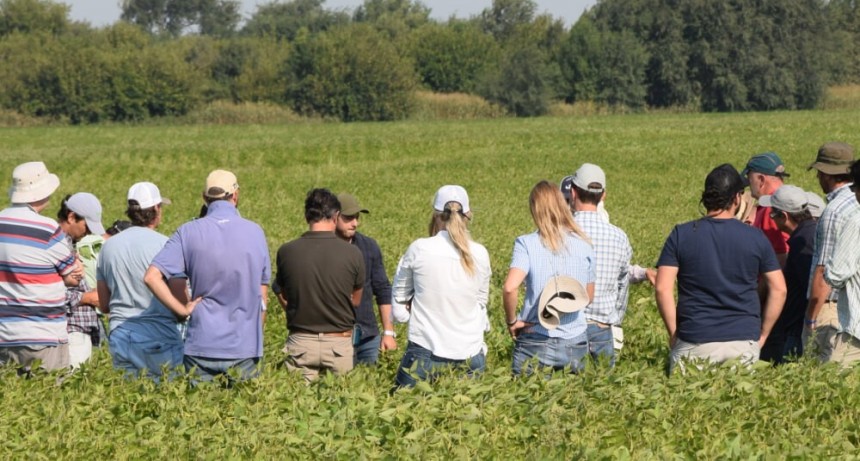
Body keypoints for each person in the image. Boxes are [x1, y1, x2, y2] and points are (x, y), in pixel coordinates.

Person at [655, 164, 786, 373]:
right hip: (743, 339)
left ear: (705, 197)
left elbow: (662, 288)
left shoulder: (681, 235)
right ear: (736, 199)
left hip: (694, 338)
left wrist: (674, 332)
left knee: (690, 404)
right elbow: (779, 289)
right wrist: (763, 333)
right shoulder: (755, 237)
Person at [145, 170, 270, 384]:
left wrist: (182, 310)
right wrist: (254, 336)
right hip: (243, 346)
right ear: (236, 195)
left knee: (199, 412)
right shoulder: (255, 232)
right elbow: (262, 296)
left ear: (205, 197)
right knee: (244, 414)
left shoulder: (187, 231)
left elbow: (151, 277)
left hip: (201, 344)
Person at [392, 185, 491, 387]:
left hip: (425, 351)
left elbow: (398, 307)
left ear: (436, 215)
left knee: (400, 409)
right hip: (471, 352)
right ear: (467, 215)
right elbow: (481, 302)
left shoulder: (419, 249)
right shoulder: (480, 253)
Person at [503, 180, 595, 376]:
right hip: (575, 338)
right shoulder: (585, 246)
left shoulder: (526, 244)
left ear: (535, 210)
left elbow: (510, 288)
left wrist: (512, 322)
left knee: (527, 403)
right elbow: (588, 296)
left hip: (534, 336)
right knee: (574, 403)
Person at [274, 188, 365, 382]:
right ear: (336, 216)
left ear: (307, 216)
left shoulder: (287, 251)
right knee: (345, 407)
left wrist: (294, 308)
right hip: (339, 343)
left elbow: (280, 291)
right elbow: (356, 300)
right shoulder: (353, 253)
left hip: (301, 342)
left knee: (297, 407)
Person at [97, 182, 185, 379]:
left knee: (128, 400)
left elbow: (104, 305)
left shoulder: (108, 247)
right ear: (155, 209)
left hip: (121, 335)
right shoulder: (165, 245)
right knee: (167, 398)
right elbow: (180, 299)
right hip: (159, 336)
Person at [0, 162, 82, 372]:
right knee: (49, 397)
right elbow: (72, 275)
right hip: (43, 333)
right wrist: (75, 270)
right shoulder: (47, 228)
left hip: (5, 333)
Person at [569, 164, 631, 366]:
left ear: (573, 191)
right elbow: (623, 285)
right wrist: (615, 319)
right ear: (603, 195)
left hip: (566, 328)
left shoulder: (560, 234)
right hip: (603, 329)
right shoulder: (618, 236)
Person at [804, 142, 859, 360]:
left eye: (819, 172)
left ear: (827, 174)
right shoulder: (854, 203)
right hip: (852, 303)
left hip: (829, 307)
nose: (818, 178)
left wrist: (811, 317)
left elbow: (823, 270)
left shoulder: (835, 211)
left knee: (823, 376)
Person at [334, 193, 396, 365]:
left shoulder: (368, 246)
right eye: (348, 218)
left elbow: (383, 289)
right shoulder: (322, 248)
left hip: (368, 336)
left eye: (356, 217)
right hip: (334, 338)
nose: (355, 223)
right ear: (334, 217)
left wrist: (388, 333)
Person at [756, 186, 816, 363]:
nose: (772, 219)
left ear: (784, 216)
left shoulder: (802, 242)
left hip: (797, 329)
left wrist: (810, 322)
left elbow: (811, 287)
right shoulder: (810, 232)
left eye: (773, 215)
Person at [57, 193, 105, 368]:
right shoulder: (57, 245)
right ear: (71, 217)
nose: (89, 231)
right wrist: (86, 298)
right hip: (69, 331)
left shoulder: (69, 244)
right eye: (86, 225)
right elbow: (44, 291)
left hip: (77, 331)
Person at [822, 160, 860, 366]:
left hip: (856, 331)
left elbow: (836, 274)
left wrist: (827, 271)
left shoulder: (856, 222)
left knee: (833, 385)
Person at [742, 151, 791, 266]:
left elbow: (781, 256)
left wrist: (761, 284)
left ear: (761, 179)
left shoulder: (771, 208)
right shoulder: (787, 200)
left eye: (749, 177)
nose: (748, 183)